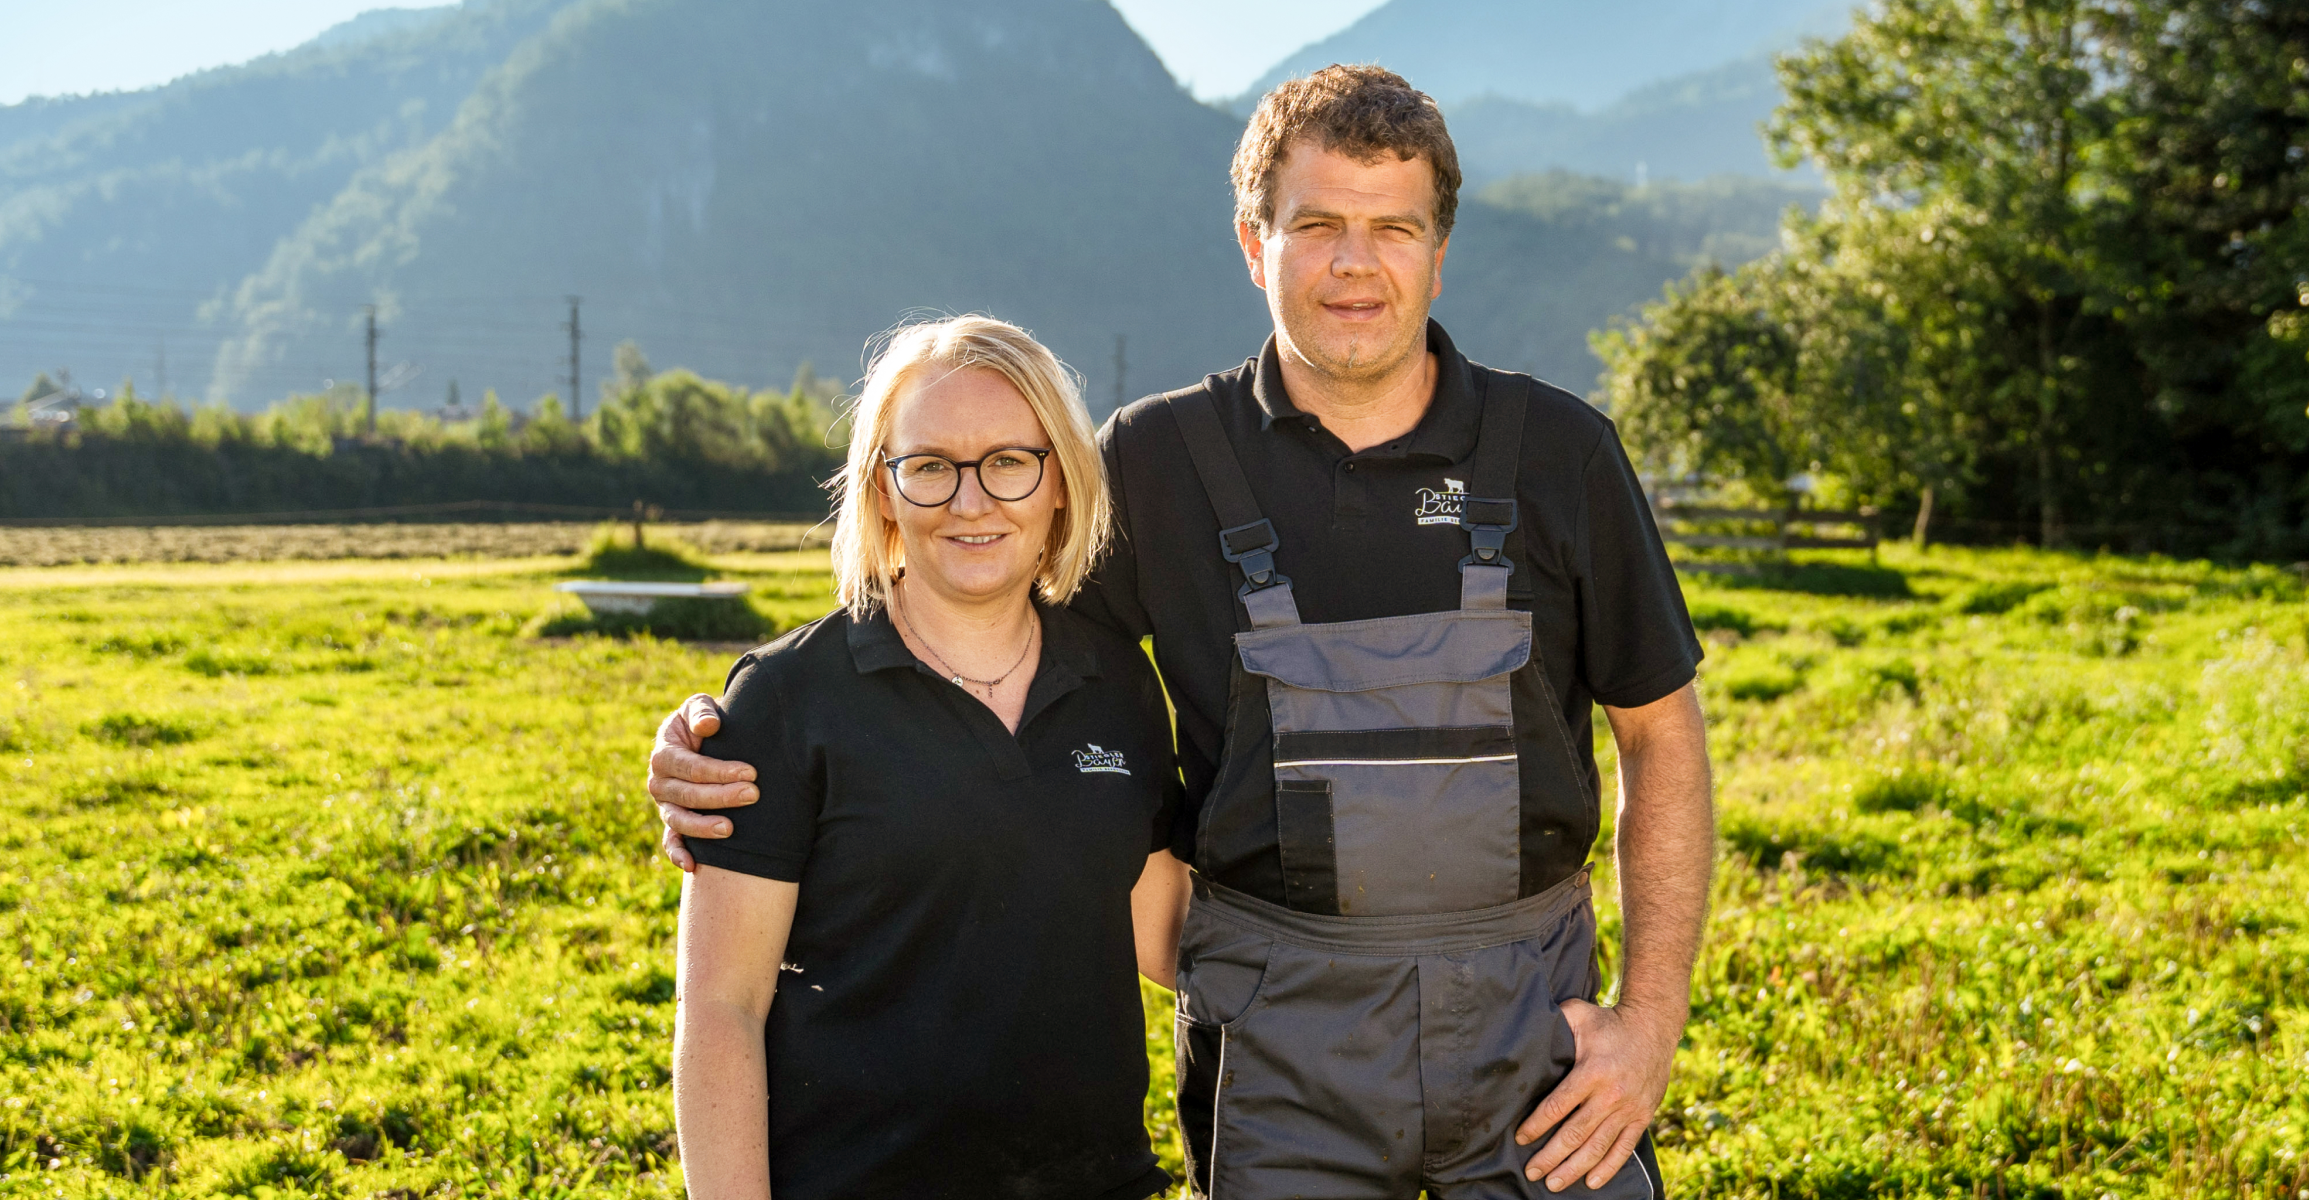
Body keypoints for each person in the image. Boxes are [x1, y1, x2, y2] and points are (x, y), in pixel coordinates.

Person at [655, 67, 1714, 1198]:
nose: (1354, 263)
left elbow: (1663, 738)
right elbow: (984, 624)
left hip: (1532, 1034)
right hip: (1278, 1042)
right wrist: (733, 732)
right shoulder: (1155, 465)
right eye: (1315, 226)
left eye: (1391, 228)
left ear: (1438, 251)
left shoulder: (1561, 453)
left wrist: (1648, 1026)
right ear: (1254, 246)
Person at [670, 316, 1191, 1200]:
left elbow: (1166, 931)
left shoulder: (1115, 682)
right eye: (930, 466)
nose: (971, 500)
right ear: (882, 492)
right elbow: (722, 1011)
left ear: (1060, 480)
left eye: (1008, 462)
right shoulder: (789, 702)